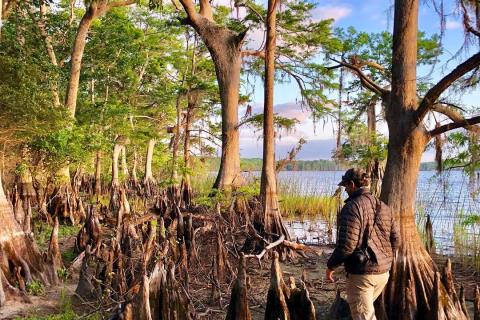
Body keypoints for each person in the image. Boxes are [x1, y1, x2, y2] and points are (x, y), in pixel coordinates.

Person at [326, 168, 399, 320]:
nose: (345, 189)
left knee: (364, 316)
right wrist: (385, 260)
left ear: (352, 184)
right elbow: (396, 239)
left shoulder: (352, 207)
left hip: (363, 275)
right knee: (365, 313)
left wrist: (331, 266)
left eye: (345, 186)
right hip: (383, 273)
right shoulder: (383, 206)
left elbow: (347, 245)